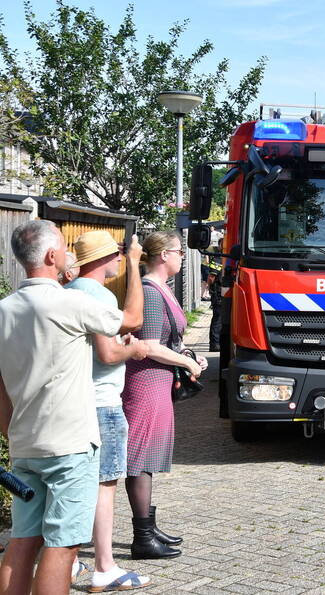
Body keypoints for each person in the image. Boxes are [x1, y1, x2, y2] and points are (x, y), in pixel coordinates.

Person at [0, 221, 144, 594]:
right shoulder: (72, 303)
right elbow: (132, 320)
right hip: (69, 446)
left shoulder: (3, 310)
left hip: (24, 447)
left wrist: (10, 431)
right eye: (63, 247)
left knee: (23, 540)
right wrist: (134, 266)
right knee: (62, 544)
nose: (68, 253)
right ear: (51, 257)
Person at [66, 231, 152, 591]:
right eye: (117, 254)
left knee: (75, 485)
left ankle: (67, 562)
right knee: (105, 485)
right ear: (105, 259)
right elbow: (108, 354)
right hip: (104, 402)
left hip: (75, 400)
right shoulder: (97, 294)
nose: (120, 259)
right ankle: (105, 566)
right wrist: (132, 350)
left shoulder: (68, 294)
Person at [122, 231, 206, 560]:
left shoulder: (161, 290)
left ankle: (149, 527)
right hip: (145, 384)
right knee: (140, 457)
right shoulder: (151, 293)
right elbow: (152, 346)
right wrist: (185, 360)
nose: (183, 257)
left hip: (157, 383)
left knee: (148, 455)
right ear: (163, 256)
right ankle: (142, 537)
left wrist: (186, 353)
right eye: (179, 252)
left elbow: (168, 340)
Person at [207, 247, 223, 351]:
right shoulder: (218, 259)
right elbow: (211, 277)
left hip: (221, 292)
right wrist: (211, 289)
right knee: (218, 318)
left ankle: (218, 343)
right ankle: (214, 344)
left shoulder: (223, 258)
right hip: (218, 293)